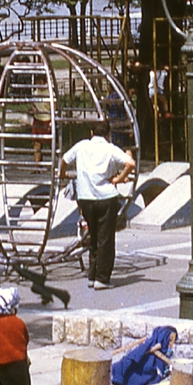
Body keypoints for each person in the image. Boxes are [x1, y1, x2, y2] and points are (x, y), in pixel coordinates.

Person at [60, 120, 134, 290]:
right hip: (106, 197)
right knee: (105, 238)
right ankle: (102, 278)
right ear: (108, 134)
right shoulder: (110, 148)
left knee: (93, 236)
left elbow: (64, 159)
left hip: (85, 199)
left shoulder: (82, 146)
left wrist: (62, 173)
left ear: (91, 133)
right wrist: (118, 179)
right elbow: (130, 163)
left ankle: (92, 275)